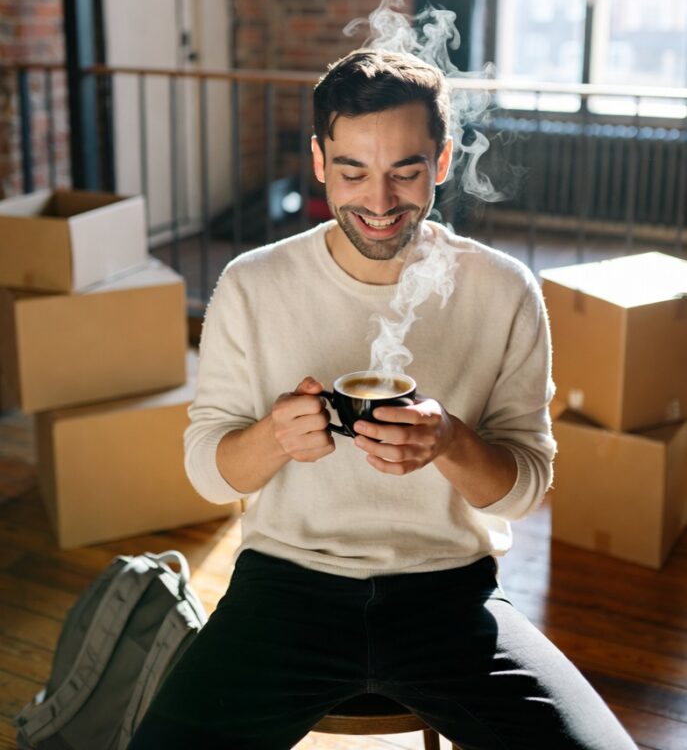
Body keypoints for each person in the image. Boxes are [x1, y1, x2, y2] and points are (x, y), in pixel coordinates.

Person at [130, 50, 637, 750]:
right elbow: (206, 471)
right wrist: (274, 438)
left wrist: (451, 444)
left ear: (441, 160)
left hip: (450, 595)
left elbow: (526, 489)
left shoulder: (503, 288)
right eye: (352, 171)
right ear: (317, 160)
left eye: (404, 170)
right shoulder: (252, 284)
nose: (378, 201)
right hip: (284, 589)